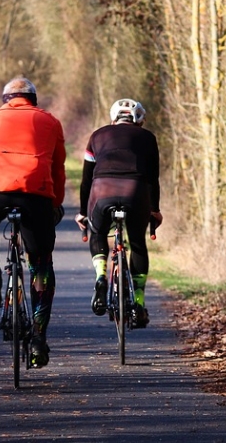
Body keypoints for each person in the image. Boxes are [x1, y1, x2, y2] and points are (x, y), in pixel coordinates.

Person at [0, 77, 66, 368]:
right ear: (32, 99)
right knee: (41, 264)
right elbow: (57, 168)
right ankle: (37, 338)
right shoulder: (50, 122)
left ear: (5, 99)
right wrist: (55, 203)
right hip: (35, 195)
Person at [74, 98, 162, 328]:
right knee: (137, 244)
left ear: (113, 117)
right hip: (136, 192)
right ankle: (140, 303)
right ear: (139, 120)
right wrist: (155, 210)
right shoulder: (148, 138)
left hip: (102, 191)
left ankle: (101, 276)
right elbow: (153, 179)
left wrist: (83, 212)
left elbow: (86, 181)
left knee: (98, 232)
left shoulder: (97, 136)